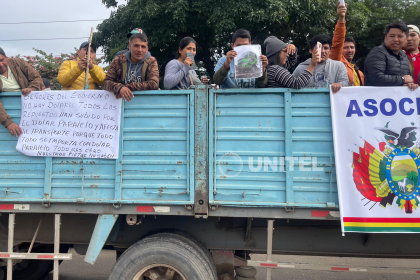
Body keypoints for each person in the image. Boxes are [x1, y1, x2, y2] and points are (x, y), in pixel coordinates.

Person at [103, 33, 159, 101]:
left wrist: (127, 86)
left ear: (147, 49)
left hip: (145, 102)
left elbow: (154, 84)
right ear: (129, 46)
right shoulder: (118, 60)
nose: (139, 50)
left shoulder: (151, 61)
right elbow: (106, 82)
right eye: (136, 46)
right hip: (120, 102)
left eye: (143, 47)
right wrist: (120, 88)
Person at [0, 47, 43, 137]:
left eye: (2, 60)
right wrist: (7, 122)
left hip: (29, 111)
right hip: (5, 114)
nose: (0, 64)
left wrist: (32, 88)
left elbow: (36, 77)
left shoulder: (18, 63)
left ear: (6, 57)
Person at [364, 21, 418, 91]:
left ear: (406, 39)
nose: (395, 39)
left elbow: (408, 78)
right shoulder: (377, 52)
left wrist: (410, 84)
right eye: (392, 36)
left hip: (398, 99)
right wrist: (403, 80)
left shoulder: (404, 56)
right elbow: (376, 78)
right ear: (385, 38)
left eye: (400, 36)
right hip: (375, 99)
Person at [330, 1, 364, 86]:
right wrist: (342, 18)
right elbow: (338, 42)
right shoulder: (336, 61)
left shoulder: (359, 73)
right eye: (345, 48)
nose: (349, 50)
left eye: (352, 47)